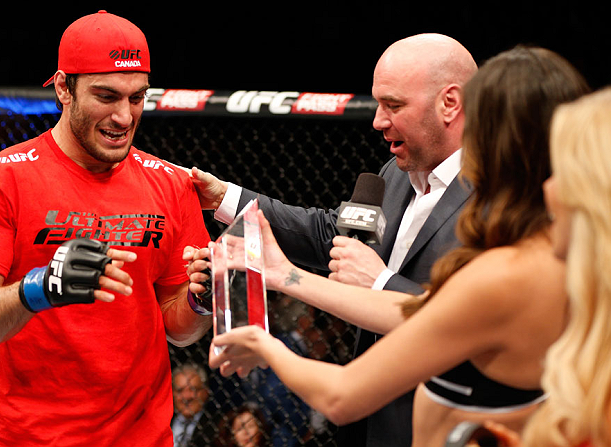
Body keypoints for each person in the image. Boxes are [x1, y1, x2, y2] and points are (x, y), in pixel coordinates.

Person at [206, 46, 591, 447]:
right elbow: (423, 311)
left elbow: (344, 392)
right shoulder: (549, 255)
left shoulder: (510, 266)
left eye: (482, 123)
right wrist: (286, 275)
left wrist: (263, 345)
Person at [185, 32, 478, 447]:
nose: (378, 120)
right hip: (365, 417)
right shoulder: (398, 173)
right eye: (377, 103)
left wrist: (378, 282)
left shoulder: (500, 197)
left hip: (441, 428)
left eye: (394, 105)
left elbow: (463, 323)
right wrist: (226, 198)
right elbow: (331, 234)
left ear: (450, 103)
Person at [0, 10, 212, 446]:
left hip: (142, 437)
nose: (125, 116)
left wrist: (202, 299)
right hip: (24, 437)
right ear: (64, 87)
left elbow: (180, 331)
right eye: (106, 96)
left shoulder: (172, 183)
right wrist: (40, 288)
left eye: (137, 98)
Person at [452, 87, 611, 447]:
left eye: (563, 171)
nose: (549, 187)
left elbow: (343, 395)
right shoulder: (593, 319)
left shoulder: (513, 270)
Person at [172, 364, 211, 447]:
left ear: (205, 392)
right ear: (172, 393)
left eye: (193, 389)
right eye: (180, 390)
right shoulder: (163, 423)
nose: (186, 396)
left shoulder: (216, 427)